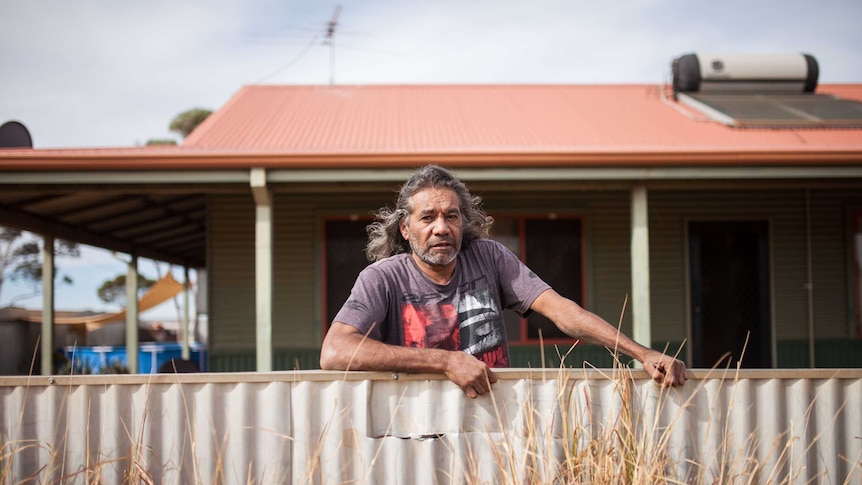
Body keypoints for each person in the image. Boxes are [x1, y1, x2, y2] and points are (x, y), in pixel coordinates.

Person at [320, 165, 688, 398]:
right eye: (428, 217)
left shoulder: (489, 258)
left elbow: (560, 310)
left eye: (452, 216)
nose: (441, 228)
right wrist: (446, 362)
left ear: (464, 222)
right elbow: (335, 352)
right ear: (405, 227)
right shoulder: (384, 277)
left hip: (494, 422)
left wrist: (642, 353)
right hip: (415, 427)